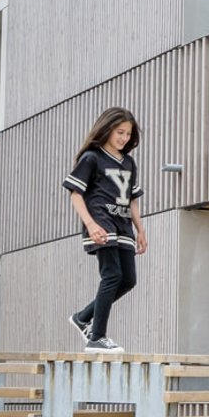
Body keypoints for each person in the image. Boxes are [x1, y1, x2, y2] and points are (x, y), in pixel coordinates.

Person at [64, 107, 148, 352]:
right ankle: (96, 337)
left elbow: (132, 199)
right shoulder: (92, 158)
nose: (124, 138)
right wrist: (91, 225)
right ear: (107, 129)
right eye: (119, 132)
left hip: (124, 225)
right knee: (112, 275)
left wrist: (140, 230)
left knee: (128, 280)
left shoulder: (129, 162)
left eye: (128, 134)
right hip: (101, 222)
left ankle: (82, 318)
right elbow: (75, 194)